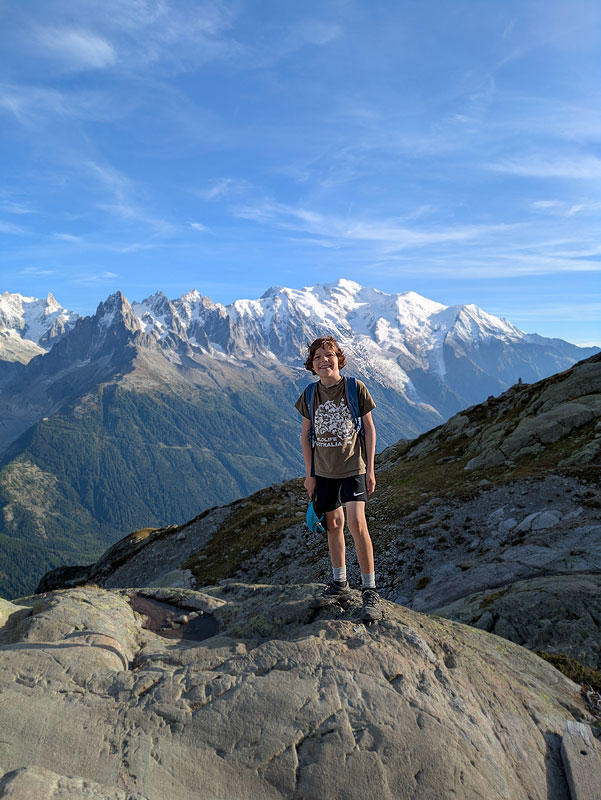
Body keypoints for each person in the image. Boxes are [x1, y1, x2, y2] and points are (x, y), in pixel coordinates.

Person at [295, 335, 382, 621]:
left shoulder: (355, 388)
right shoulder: (310, 394)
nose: (324, 360)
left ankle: (370, 590)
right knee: (333, 524)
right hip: (323, 472)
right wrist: (310, 475)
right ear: (312, 365)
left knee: (357, 523)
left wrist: (370, 469)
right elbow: (306, 436)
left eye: (329, 355)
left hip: (353, 468)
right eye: (318, 357)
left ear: (339, 359)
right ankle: (340, 583)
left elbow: (369, 430)